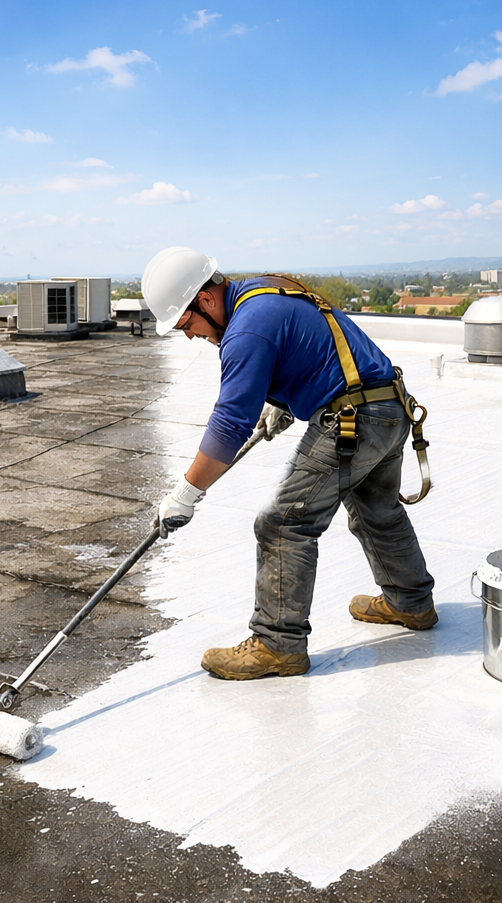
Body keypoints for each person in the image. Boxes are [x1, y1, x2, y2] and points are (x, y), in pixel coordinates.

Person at [141, 246, 437, 680]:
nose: (190, 335)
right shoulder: (266, 289)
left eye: (186, 323)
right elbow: (312, 345)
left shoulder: (245, 331)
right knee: (378, 512)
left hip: (353, 420)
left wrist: (186, 493)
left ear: (205, 300)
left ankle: (277, 644)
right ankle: (410, 603)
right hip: (388, 406)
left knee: (283, 524)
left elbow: (228, 424)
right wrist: (286, 401)